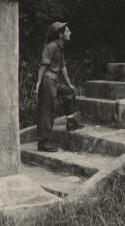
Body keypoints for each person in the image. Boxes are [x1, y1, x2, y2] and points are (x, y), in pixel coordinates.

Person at [35, 22, 84, 152]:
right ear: (61, 35)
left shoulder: (60, 46)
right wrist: (38, 83)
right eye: (67, 31)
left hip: (55, 81)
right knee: (47, 109)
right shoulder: (51, 47)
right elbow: (43, 66)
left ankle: (71, 123)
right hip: (48, 81)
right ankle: (43, 142)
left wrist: (69, 84)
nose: (70, 33)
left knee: (69, 92)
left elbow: (63, 67)